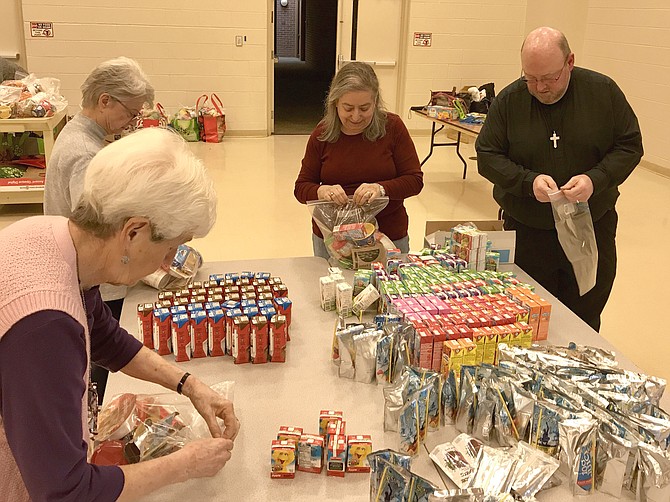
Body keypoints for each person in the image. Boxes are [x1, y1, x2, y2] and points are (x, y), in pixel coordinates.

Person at [0, 128, 239, 501]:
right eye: (171, 247)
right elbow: (65, 492)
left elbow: (107, 337)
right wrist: (183, 465)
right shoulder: (45, 326)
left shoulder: (51, 236)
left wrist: (189, 385)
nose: (168, 262)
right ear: (134, 232)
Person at [476, 27, 643, 331]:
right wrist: (528, 182)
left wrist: (595, 179)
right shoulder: (510, 101)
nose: (540, 88)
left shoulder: (602, 92)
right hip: (529, 230)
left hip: (591, 227)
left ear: (570, 62)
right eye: (531, 78)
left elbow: (629, 146)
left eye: (549, 78)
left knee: (584, 312)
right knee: (528, 316)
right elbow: (487, 155)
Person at [44, 56, 155, 403]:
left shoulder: (82, 135)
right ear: (104, 100)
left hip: (82, 278)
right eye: (131, 113)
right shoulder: (84, 154)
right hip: (94, 286)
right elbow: (99, 230)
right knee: (100, 364)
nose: (133, 121)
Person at [294, 61, 423, 257]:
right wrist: (322, 190)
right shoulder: (322, 133)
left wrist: (380, 188)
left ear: (375, 102)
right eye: (348, 108)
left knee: (389, 287)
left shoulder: (393, 127)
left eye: (364, 108)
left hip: (388, 235)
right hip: (333, 240)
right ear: (335, 102)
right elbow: (301, 188)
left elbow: (415, 181)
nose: (356, 116)